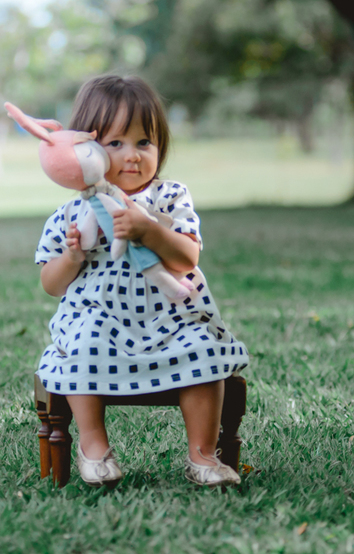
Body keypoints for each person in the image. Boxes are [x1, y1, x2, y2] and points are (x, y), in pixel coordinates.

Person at [33, 74, 250, 487]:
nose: (131, 156)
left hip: (171, 319)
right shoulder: (70, 213)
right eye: (115, 143)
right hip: (100, 318)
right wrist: (73, 256)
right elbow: (51, 283)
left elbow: (187, 257)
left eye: (144, 142)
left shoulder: (170, 196)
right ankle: (93, 446)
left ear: (161, 145)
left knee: (203, 348)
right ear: (86, 149)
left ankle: (203, 455)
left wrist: (148, 230)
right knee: (84, 344)